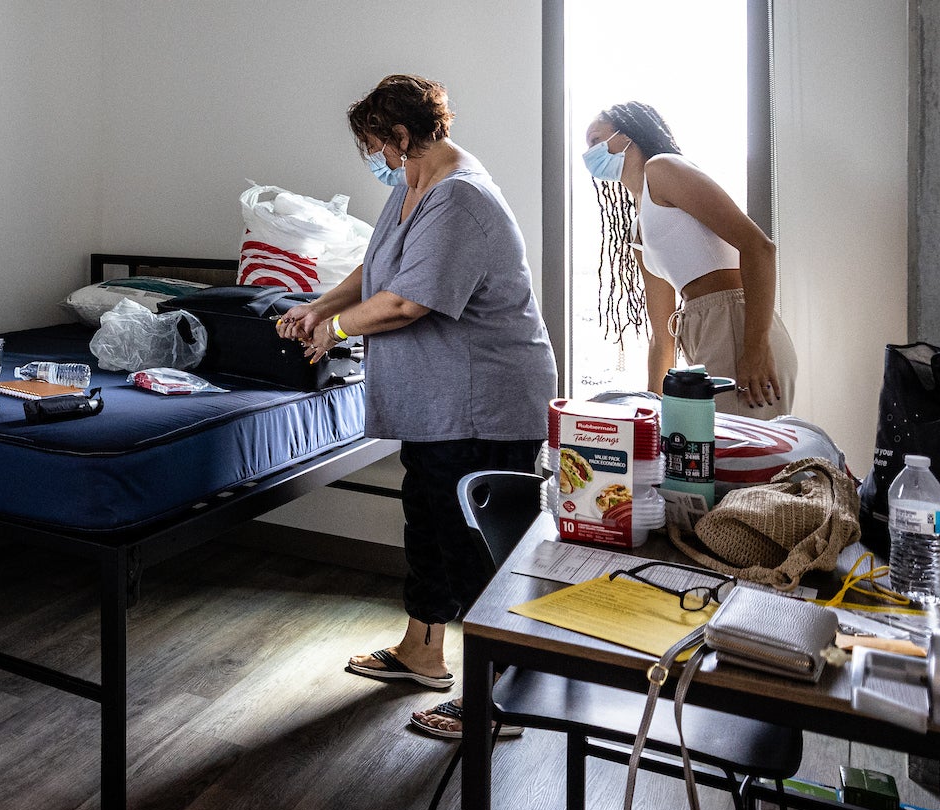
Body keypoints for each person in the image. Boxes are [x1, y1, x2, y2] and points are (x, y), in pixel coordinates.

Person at [278, 74, 557, 740]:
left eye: (375, 145)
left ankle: (495, 699)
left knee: (472, 543)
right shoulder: (414, 187)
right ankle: (422, 650)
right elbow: (378, 273)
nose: (374, 159)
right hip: (439, 400)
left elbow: (409, 302)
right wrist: (321, 304)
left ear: (401, 136)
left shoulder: (459, 197)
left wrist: (336, 331)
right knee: (427, 521)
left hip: (486, 399)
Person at [583, 101, 793, 415]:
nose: (589, 154)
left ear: (625, 135)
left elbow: (759, 248)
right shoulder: (639, 226)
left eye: (596, 140)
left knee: (743, 460)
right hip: (698, 332)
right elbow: (661, 336)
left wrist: (755, 348)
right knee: (711, 459)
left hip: (735, 324)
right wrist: (651, 409)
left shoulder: (663, 169)